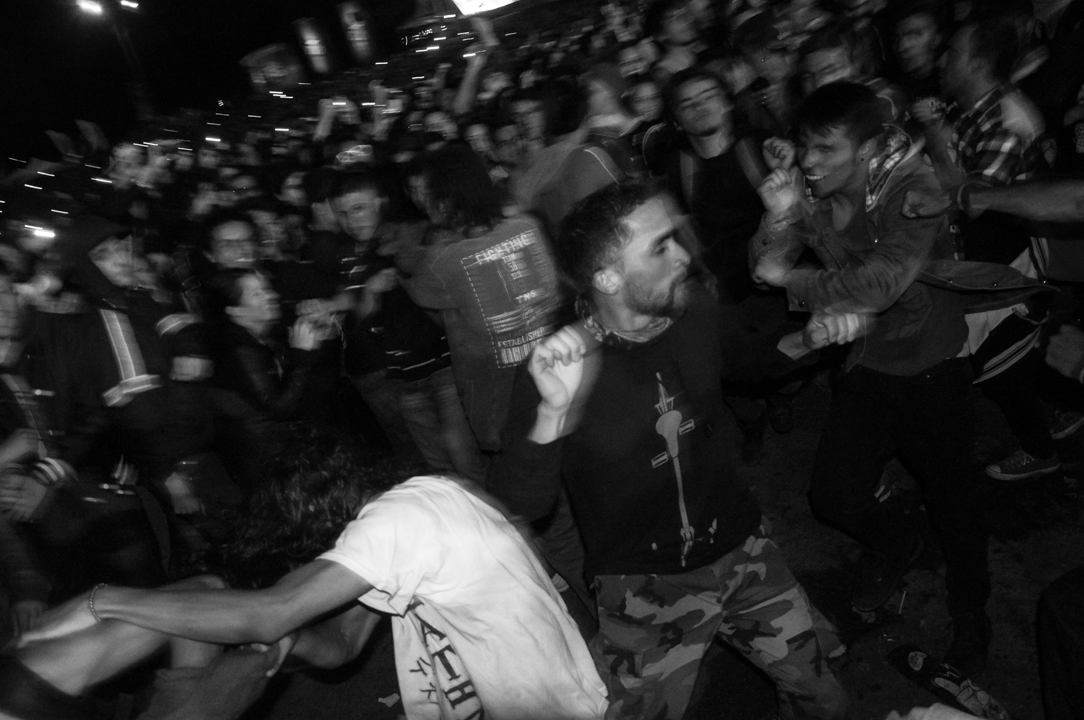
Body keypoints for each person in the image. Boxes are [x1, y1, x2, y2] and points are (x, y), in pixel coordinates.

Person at [490, 180, 856, 720]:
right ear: (608, 277)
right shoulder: (562, 366)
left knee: (824, 697)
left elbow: (748, 360)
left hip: (740, 549)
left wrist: (808, 339)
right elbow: (521, 503)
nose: (683, 255)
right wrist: (551, 412)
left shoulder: (695, 310)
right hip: (643, 586)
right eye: (660, 247)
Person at [19, 433, 610, 720]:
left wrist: (104, 600)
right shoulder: (410, 522)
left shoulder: (397, 523)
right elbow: (342, 646)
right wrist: (285, 641)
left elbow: (269, 611)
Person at [751, 81, 998, 670]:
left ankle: (972, 611)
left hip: (933, 367)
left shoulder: (912, 189)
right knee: (833, 495)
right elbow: (760, 266)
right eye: (805, 146)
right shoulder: (811, 191)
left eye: (825, 149)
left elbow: (879, 285)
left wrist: (792, 282)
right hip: (867, 363)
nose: (809, 161)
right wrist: (778, 217)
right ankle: (897, 543)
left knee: (954, 504)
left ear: (864, 150)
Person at [919, 14, 1058, 481]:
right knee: (1011, 358)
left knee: (1001, 368)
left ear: (977, 63)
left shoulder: (1007, 122)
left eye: (952, 53)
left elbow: (973, 202)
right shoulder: (972, 105)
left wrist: (935, 139)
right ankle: (1064, 406)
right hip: (978, 256)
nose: (942, 60)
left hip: (1005, 262)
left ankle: (1041, 451)